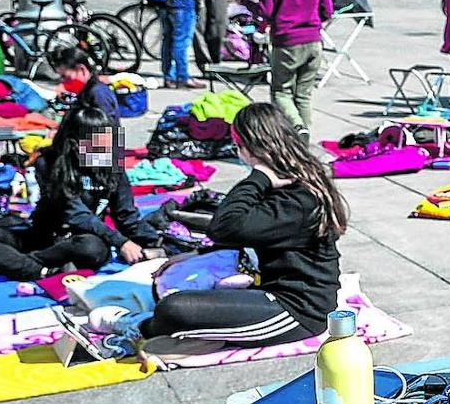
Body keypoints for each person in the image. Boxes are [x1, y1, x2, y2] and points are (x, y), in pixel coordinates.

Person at [134, 103, 345, 354]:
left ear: (250, 148)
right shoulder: (289, 180)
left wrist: (259, 176)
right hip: (273, 291)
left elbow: (224, 226)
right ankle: (194, 334)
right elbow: (255, 229)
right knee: (176, 288)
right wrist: (195, 255)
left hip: (296, 311)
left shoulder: (296, 196)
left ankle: (140, 328)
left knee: (174, 309)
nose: (236, 152)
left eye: (238, 145)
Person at [0, 106, 158, 281]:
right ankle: (38, 269)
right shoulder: (48, 164)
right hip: (45, 240)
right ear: (75, 143)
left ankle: (17, 264)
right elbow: (75, 214)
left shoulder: (111, 165)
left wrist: (157, 244)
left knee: (91, 248)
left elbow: (127, 217)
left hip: (85, 241)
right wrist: (121, 242)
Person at [258, 0, 334, 140]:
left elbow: (267, 9)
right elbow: (327, 10)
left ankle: (298, 127)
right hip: (313, 41)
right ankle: (303, 140)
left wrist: (249, 6)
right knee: (303, 95)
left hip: (287, 41)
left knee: (281, 91)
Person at [51, 47, 119, 126]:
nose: (64, 81)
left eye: (66, 77)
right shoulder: (85, 90)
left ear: (82, 70)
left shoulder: (99, 93)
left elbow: (110, 128)